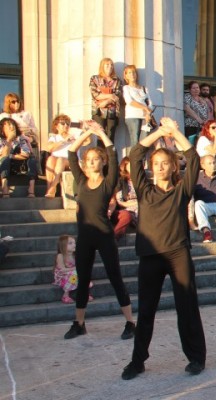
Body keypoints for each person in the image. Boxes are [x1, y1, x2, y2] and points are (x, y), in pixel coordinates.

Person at [121, 117, 206, 380]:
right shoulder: (144, 190)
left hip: (178, 253)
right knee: (146, 310)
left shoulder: (182, 191)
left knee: (187, 307)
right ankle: (138, 361)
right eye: (155, 164)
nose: (159, 167)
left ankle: (196, 358)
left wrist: (175, 133)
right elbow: (135, 154)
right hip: (150, 256)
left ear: (172, 167)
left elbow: (193, 158)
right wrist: (159, 131)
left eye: (164, 163)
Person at [64, 121, 135, 340]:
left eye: (96, 159)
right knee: (83, 280)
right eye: (89, 160)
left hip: (104, 236)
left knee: (116, 278)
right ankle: (79, 323)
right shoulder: (81, 180)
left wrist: (102, 134)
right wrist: (87, 133)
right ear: (84, 165)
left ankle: (130, 323)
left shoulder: (108, 182)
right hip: (85, 237)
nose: (93, 162)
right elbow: (71, 152)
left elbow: (113, 154)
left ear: (102, 162)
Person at [1, 118, 38, 198]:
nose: (12, 127)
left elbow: (26, 153)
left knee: (32, 159)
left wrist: (11, 156)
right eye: (9, 125)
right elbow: (3, 155)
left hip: (18, 164)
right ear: (2, 128)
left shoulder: (20, 138)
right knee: (5, 159)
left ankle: (31, 188)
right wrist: (9, 139)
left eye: (13, 124)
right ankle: (5, 188)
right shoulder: (1, 140)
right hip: (4, 166)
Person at [89, 58, 122, 143]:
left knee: (111, 137)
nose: (110, 67)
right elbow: (95, 94)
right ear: (102, 66)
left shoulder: (117, 80)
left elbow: (117, 95)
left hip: (112, 112)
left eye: (111, 65)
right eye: (107, 65)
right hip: (98, 111)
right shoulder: (94, 78)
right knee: (100, 136)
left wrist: (106, 101)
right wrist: (110, 95)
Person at [44, 114, 77, 197]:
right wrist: (64, 141)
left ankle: (53, 186)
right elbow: (49, 148)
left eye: (67, 123)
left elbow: (87, 141)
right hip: (56, 161)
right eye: (62, 123)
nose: (65, 125)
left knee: (60, 159)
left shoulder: (73, 137)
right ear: (56, 126)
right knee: (51, 159)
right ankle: (49, 188)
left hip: (69, 161)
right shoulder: (54, 138)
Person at [122, 65, 153, 153]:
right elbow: (130, 101)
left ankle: (142, 162)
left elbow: (150, 103)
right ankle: (132, 162)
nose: (132, 74)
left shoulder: (144, 88)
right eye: (129, 73)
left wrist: (148, 112)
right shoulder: (126, 88)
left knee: (144, 141)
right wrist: (144, 108)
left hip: (145, 117)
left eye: (134, 72)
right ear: (126, 76)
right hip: (132, 116)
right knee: (134, 140)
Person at [109, 157, 138, 241]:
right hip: (125, 208)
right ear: (125, 167)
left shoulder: (141, 181)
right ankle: (113, 239)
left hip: (141, 208)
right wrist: (135, 204)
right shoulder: (121, 181)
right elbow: (120, 202)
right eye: (131, 165)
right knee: (127, 216)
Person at [53, 235, 82, 304]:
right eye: (70, 243)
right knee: (74, 273)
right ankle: (65, 295)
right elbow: (62, 270)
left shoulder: (74, 255)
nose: (74, 245)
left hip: (72, 273)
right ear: (63, 245)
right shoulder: (60, 256)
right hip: (61, 275)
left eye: (74, 243)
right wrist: (76, 268)